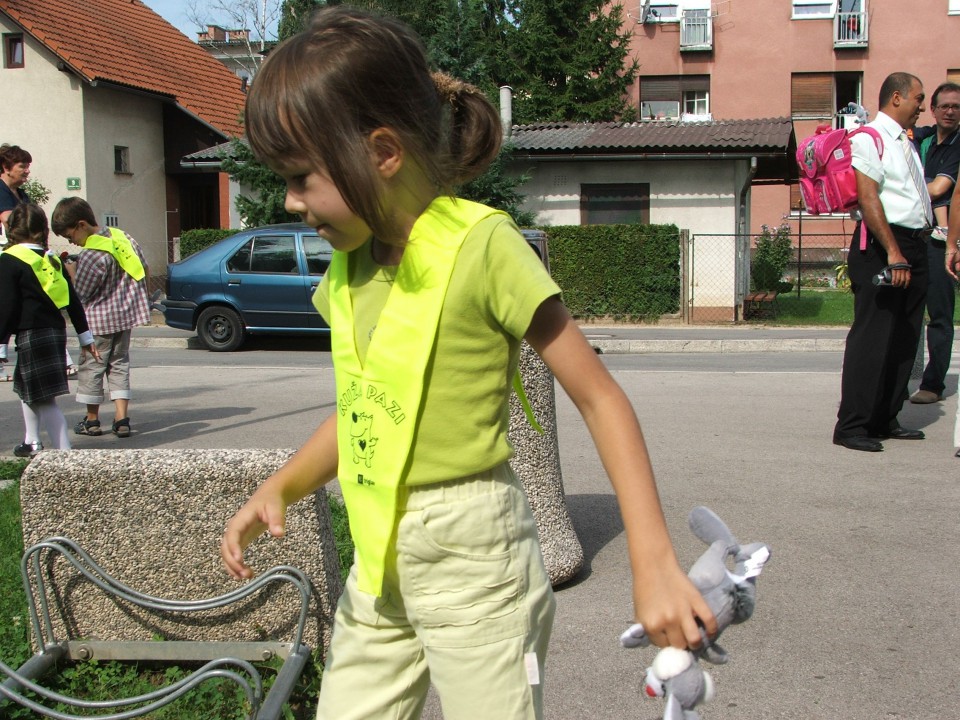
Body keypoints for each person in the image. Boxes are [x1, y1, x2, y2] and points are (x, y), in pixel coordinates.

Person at [219, 7, 716, 720]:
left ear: (382, 151)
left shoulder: (482, 246)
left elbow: (600, 397)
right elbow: (367, 409)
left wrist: (655, 561)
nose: (291, 202)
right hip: (378, 557)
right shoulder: (349, 268)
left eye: (300, 178)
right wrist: (284, 484)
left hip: (476, 557)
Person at [834, 72, 933, 452]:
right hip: (884, 244)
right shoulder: (869, 138)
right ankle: (852, 425)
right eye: (918, 99)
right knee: (873, 339)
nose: (921, 107)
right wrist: (894, 253)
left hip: (915, 243)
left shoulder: (904, 143)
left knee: (903, 339)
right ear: (896, 98)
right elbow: (868, 197)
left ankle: (884, 418)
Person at [0, 204, 99, 457]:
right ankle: (31, 441)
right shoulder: (51, 259)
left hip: (31, 334)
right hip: (54, 332)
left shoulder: (9, 260)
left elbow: (7, 307)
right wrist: (85, 336)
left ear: (12, 229)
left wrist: (1, 344)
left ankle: (64, 451)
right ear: (41, 230)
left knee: (44, 399)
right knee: (27, 390)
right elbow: (73, 301)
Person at [50, 197, 150, 438]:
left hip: (97, 321)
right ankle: (121, 418)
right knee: (119, 366)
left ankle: (92, 420)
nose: (71, 241)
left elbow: (82, 293)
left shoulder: (93, 254)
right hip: (125, 317)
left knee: (92, 369)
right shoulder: (122, 237)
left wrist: (72, 272)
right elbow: (143, 267)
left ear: (81, 224)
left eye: (70, 235)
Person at [909, 82, 960, 405]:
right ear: (933, 109)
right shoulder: (923, 138)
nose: (951, 112)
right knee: (911, 310)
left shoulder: (958, 144)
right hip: (920, 234)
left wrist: (904, 190)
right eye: (945, 106)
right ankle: (900, 380)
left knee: (940, 314)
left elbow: (940, 188)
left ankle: (933, 384)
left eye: (956, 107)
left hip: (947, 240)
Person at [0, 144, 33, 383]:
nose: (27, 171)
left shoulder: (23, 196)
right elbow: (9, 220)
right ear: (6, 167)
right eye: (22, 166)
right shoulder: (0, 191)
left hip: (20, 256)